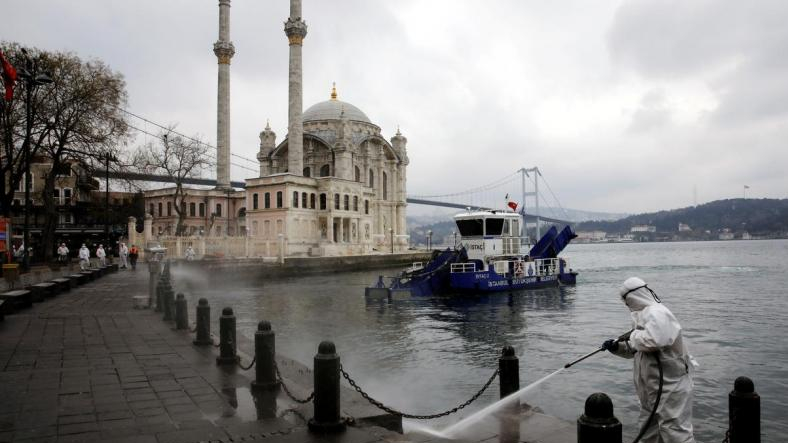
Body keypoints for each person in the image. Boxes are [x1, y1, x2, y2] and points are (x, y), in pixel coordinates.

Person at [602, 277, 697, 443]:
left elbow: (654, 340)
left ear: (632, 297)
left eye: (626, 300)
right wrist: (617, 347)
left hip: (670, 388)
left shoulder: (657, 313)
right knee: (648, 434)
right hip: (650, 391)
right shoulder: (642, 316)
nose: (626, 305)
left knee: (676, 434)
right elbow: (637, 349)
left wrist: (632, 335)